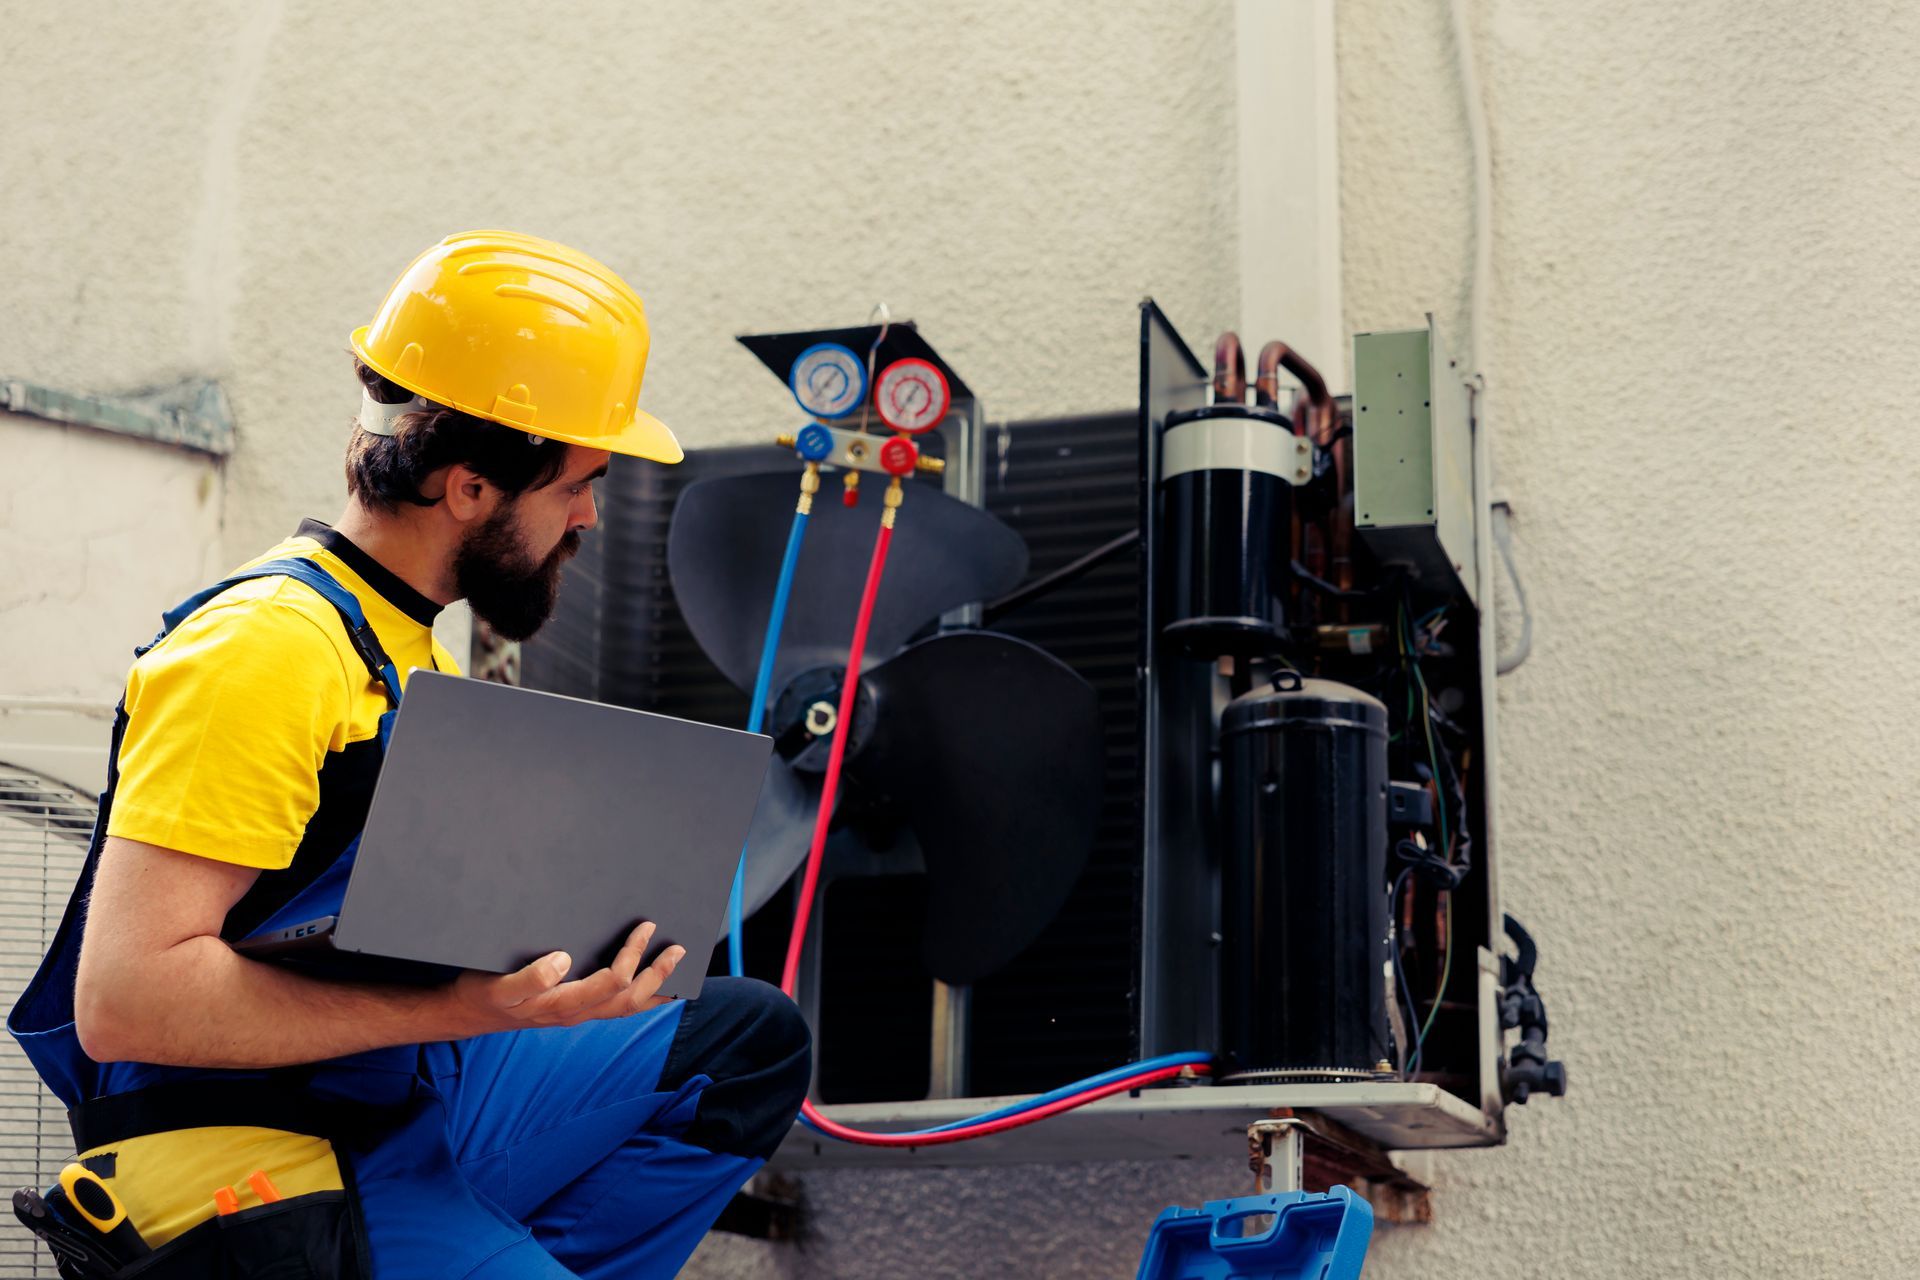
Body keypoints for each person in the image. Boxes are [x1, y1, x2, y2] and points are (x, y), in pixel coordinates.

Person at [9, 231, 810, 1278]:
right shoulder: (266, 650)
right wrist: (463, 1005)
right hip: (245, 1153)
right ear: (470, 486)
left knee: (744, 1041)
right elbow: (125, 1002)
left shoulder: (397, 643)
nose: (589, 514)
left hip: (393, 1092)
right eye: (576, 483)